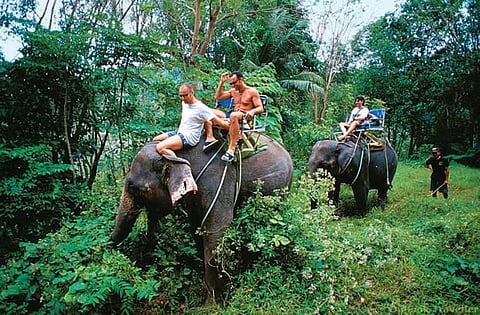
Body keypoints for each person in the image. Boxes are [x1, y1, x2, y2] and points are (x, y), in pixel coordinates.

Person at [153, 83, 229, 157]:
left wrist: (233, 128)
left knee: (160, 147)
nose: (182, 98)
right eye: (181, 96)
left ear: (192, 92)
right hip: (179, 131)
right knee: (155, 140)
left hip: (188, 137)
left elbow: (220, 122)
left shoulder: (201, 108)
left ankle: (178, 166)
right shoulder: (184, 102)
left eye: (185, 95)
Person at [214, 71, 264, 162]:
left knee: (234, 115)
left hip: (245, 118)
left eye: (234, 82)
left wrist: (252, 111)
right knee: (209, 111)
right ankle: (211, 138)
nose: (233, 85)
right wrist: (221, 82)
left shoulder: (252, 92)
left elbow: (260, 108)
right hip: (233, 117)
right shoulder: (233, 91)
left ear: (241, 80)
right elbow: (218, 97)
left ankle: (231, 149)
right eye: (231, 83)